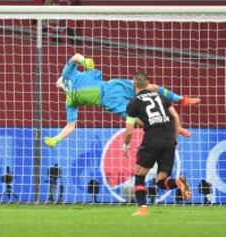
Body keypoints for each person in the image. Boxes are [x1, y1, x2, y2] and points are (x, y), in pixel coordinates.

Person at [44, 53, 200, 148]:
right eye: (58, 86)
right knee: (138, 120)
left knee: (149, 87)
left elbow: (75, 57)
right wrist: (56, 139)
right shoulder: (70, 101)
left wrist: (84, 61)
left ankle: (181, 100)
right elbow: (70, 126)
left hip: (112, 86)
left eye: (58, 82)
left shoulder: (68, 74)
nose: (58, 84)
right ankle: (172, 127)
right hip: (109, 99)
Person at [123, 71, 192, 216]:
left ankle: (142, 209)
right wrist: (173, 140)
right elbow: (175, 117)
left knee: (140, 175)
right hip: (168, 139)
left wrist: (126, 145)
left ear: (134, 84)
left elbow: (129, 131)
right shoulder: (161, 97)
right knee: (161, 181)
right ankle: (178, 182)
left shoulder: (133, 103)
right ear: (148, 83)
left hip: (152, 139)